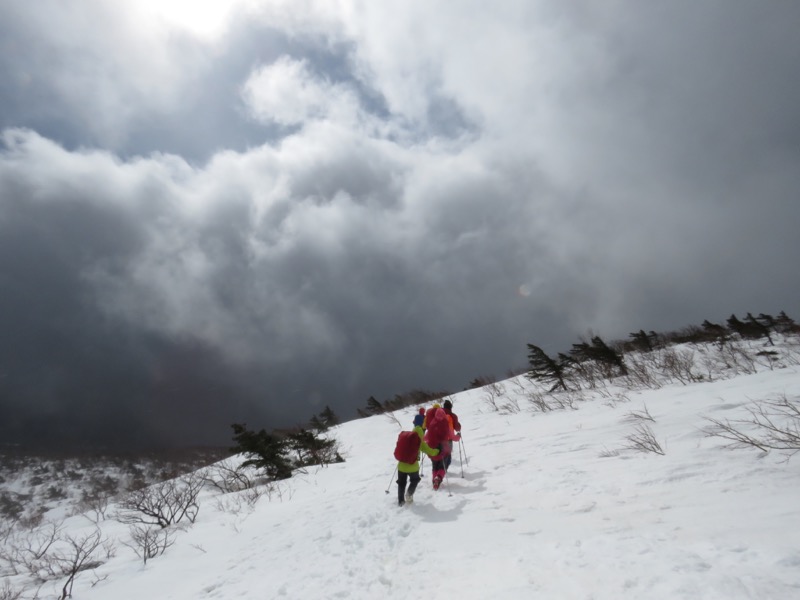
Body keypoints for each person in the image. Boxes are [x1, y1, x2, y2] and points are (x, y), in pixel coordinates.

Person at [397, 414, 440, 506]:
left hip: (401, 465)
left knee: (401, 483)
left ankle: (400, 501)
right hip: (413, 466)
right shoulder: (419, 441)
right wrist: (437, 451)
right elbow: (429, 451)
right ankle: (409, 494)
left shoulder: (407, 437)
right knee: (415, 480)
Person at [423, 405, 452, 490]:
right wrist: (457, 437)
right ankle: (438, 477)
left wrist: (421, 439)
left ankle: (434, 479)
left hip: (432, 450)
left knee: (434, 466)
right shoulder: (445, 422)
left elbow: (426, 437)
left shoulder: (432, 423)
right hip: (443, 449)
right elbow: (450, 435)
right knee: (444, 464)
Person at [442, 399, 462, 472]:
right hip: (448, 439)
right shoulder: (452, 415)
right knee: (447, 456)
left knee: (439, 455)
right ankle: (443, 472)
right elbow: (457, 427)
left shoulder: (437, 413)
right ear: (450, 407)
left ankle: (438, 472)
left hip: (437, 438)